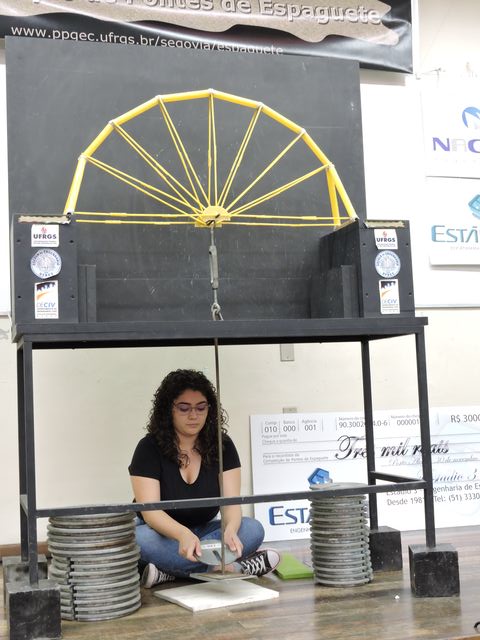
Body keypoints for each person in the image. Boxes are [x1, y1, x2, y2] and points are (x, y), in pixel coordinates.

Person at [129, 369, 280, 588]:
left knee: (252, 528)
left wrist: (230, 530)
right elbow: (151, 514)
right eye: (184, 408)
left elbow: (231, 503)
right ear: (168, 409)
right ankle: (234, 568)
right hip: (162, 534)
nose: (194, 415)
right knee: (138, 539)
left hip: (205, 530)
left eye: (201, 408)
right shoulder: (148, 448)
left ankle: (170, 572)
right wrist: (182, 534)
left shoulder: (222, 445)